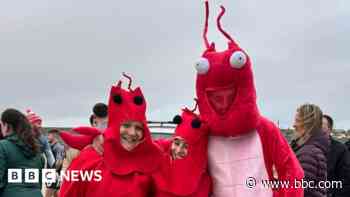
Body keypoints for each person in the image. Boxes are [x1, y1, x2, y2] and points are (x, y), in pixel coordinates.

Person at [192, 1, 303, 197]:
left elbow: (292, 172)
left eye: (227, 95)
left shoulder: (264, 129)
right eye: (216, 97)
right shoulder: (202, 133)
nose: (223, 102)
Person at [59, 74, 163, 197]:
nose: (132, 133)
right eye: (126, 125)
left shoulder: (150, 163)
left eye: (138, 128)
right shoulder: (90, 158)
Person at [153, 107, 212, 197]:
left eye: (186, 146)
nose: (179, 150)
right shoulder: (159, 166)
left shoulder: (203, 181)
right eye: (176, 143)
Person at [0, 108, 45, 197]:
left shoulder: (2, 146)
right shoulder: (36, 149)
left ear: (7, 126)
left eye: (1, 125)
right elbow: (39, 184)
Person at [290, 104, 329, 197]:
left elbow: (302, 190)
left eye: (297, 121)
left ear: (308, 124)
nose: (293, 125)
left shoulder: (308, 153)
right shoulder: (309, 149)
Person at [322, 114, 350, 197]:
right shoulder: (307, 148)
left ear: (330, 129)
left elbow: (346, 181)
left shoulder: (341, 150)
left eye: (321, 126)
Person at [45, 129, 65, 197]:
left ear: (54, 136)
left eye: (49, 135)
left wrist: (53, 173)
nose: (47, 137)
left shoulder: (58, 147)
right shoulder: (51, 146)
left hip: (53, 174)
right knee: (56, 193)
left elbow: (59, 162)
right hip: (51, 173)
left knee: (48, 194)